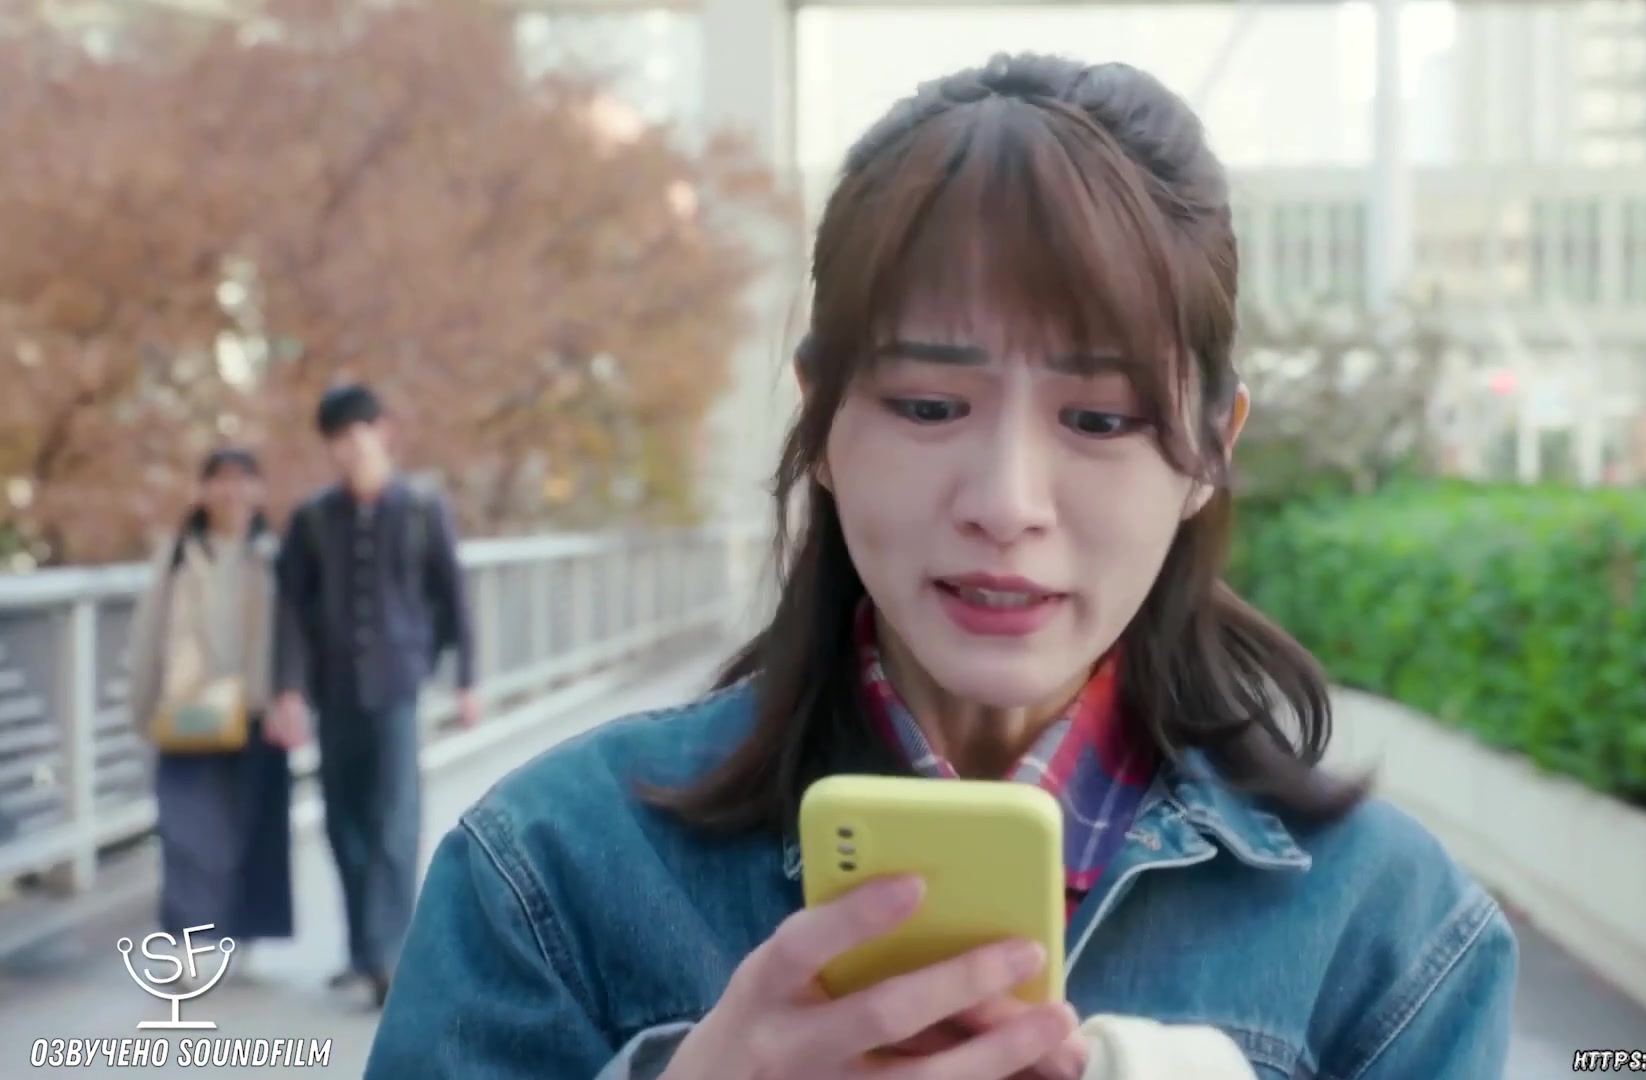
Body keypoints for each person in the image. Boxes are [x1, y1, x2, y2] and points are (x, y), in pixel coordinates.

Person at [367, 53, 1516, 1079]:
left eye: (1099, 419)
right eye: (928, 404)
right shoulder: (551, 875)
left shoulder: (1389, 936)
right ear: (821, 420)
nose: (1006, 504)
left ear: (1213, 447)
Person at [268, 383, 477, 1009]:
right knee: (343, 822)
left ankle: (389, 956)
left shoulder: (421, 509)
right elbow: (290, 611)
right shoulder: (312, 519)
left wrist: (466, 679)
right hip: (334, 690)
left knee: (394, 819)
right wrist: (287, 689)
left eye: (356, 434)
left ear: (381, 432)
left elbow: (453, 596)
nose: (348, 449)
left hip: (397, 686)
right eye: (336, 439)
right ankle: (362, 951)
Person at [126, 448, 293, 977]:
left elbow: (296, 635)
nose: (231, 491)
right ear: (201, 490)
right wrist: (142, 705)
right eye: (219, 480)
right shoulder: (177, 552)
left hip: (254, 709)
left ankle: (244, 936)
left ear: (259, 491)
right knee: (186, 829)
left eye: (243, 480)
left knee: (254, 828)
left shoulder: (275, 555)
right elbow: (148, 631)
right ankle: (189, 940)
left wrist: (292, 699)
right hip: (189, 709)